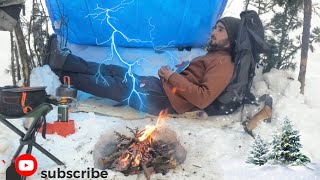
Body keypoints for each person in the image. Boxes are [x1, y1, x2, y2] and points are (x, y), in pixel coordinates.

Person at [47, 16, 241, 116]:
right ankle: (64, 62)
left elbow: (202, 98)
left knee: (111, 85)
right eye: (215, 27)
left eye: (221, 30)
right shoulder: (215, 56)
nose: (214, 32)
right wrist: (171, 74)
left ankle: (61, 75)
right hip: (161, 89)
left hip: (164, 100)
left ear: (232, 39)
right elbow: (193, 79)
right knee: (114, 71)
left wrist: (171, 76)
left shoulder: (224, 64)